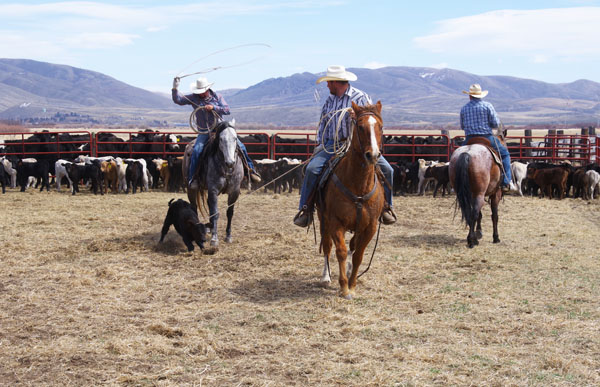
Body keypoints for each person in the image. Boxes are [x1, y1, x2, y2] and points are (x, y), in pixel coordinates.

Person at [293, 65, 396, 228]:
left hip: (358, 146)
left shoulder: (361, 97)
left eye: (329, 82)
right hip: (331, 145)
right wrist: (320, 146)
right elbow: (323, 124)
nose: (327, 85)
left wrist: (357, 117)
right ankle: (305, 209)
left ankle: (385, 207)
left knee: (388, 170)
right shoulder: (329, 101)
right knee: (312, 169)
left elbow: (372, 121)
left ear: (336, 82)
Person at [172, 76, 261, 187]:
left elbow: (227, 110)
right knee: (197, 150)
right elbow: (178, 100)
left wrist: (213, 107)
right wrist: (175, 88)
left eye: (202, 91)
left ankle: (251, 171)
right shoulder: (194, 98)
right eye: (199, 92)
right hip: (204, 132)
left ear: (207, 89)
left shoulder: (217, 97)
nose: (201, 94)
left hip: (220, 129)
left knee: (241, 146)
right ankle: (193, 178)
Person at [460, 83, 515, 193]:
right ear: (481, 95)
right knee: (504, 154)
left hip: (469, 138)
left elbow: (462, 126)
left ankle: (455, 184)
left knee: (456, 156)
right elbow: (495, 123)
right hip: (486, 137)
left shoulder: (464, 108)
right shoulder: (487, 106)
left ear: (470, 96)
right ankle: (506, 181)